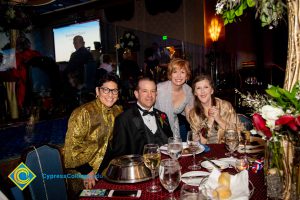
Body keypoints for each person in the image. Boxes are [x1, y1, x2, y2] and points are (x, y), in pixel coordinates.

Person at [98, 77, 173, 173]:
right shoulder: (123, 119)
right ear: (136, 94)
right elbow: (120, 156)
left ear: (156, 94)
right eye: (145, 91)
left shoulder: (162, 116)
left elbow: (171, 143)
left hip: (166, 170)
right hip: (139, 173)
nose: (149, 95)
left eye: (153, 91)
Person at [63, 73, 123, 194]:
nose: (110, 95)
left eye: (114, 91)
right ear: (97, 91)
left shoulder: (117, 111)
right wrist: (86, 171)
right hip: (83, 173)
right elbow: (70, 149)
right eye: (106, 90)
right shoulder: (83, 113)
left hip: (106, 171)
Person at [188, 74, 242, 144]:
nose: (202, 91)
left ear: (212, 91)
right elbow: (199, 143)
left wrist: (219, 119)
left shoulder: (225, 106)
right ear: (195, 93)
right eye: (198, 88)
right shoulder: (193, 114)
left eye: (206, 87)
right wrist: (209, 122)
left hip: (228, 148)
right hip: (207, 151)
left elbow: (239, 134)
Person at [155, 58, 194, 140]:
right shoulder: (159, 89)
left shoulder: (188, 91)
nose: (179, 76)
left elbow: (190, 115)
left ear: (187, 75)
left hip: (174, 131)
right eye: (175, 72)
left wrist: (199, 130)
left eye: (182, 72)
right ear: (170, 74)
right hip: (155, 130)